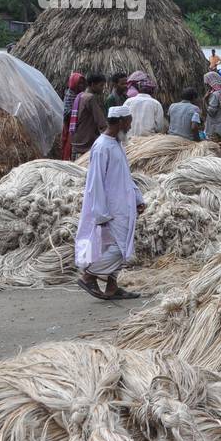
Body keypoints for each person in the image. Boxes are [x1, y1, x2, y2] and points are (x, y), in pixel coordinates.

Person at [75, 105, 146, 300]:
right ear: (121, 122)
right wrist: (100, 213)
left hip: (123, 205)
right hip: (111, 208)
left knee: (119, 245)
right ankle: (89, 275)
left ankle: (112, 286)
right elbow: (95, 182)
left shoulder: (116, 144)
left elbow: (124, 176)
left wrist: (137, 198)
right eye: (129, 123)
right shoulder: (102, 147)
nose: (130, 127)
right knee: (119, 248)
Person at [71, 73, 108, 158]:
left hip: (77, 141)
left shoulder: (80, 96)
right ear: (93, 85)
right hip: (87, 143)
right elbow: (101, 122)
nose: (102, 89)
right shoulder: (90, 98)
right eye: (101, 85)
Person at [61, 71, 85, 159]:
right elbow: (66, 113)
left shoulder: (81, 95)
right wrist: (78, 111)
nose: (81, 86)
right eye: (79, 83)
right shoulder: (70, 95)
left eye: (82, 83)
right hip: (70, 126)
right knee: (69, 146)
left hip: (78, 126)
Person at [203, 70, 221, 142]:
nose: (207, 85)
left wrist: (205, 101)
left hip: (215, 129)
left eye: (207, 83)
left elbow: (211, 113)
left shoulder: (215, 95)